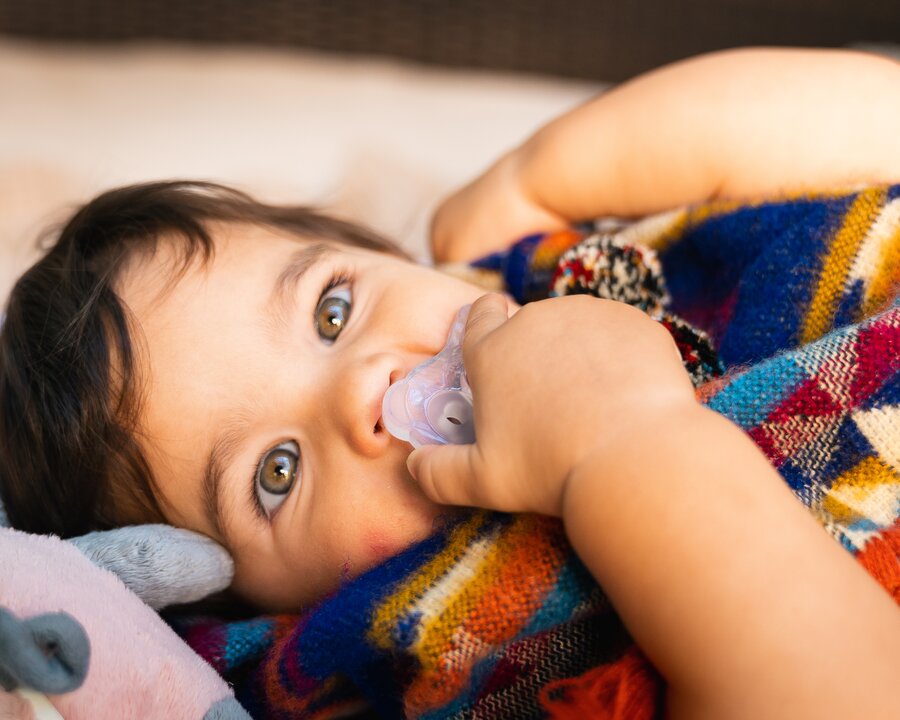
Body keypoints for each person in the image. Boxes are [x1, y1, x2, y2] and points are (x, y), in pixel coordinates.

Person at [0, 47, 898, 718]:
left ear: (393, 256)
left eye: (332, 310)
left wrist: (530, 178)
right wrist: (624, 444)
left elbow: (867, 124)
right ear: (257, 610)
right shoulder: (436, 655)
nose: (362, 390)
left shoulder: (546, 275)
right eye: (276, 472)